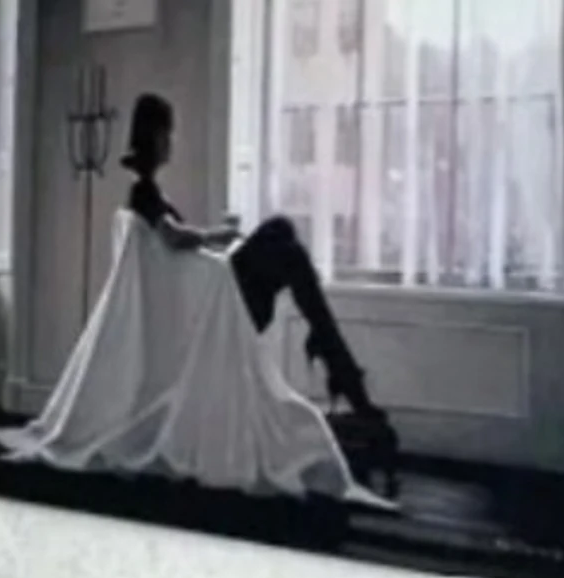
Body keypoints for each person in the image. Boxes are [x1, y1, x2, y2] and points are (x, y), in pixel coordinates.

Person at [120, 93, 391, 430]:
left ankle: (337, 362)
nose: (170, 143)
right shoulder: (143, 192)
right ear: (155, 137)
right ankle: (343, 371)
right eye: (168, 134)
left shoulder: (146, 192)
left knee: (282, 230)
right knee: (287, 247)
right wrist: (216, 236)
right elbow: (172, 238)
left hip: (208, 294)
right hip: (207, 309)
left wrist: (218, 247)